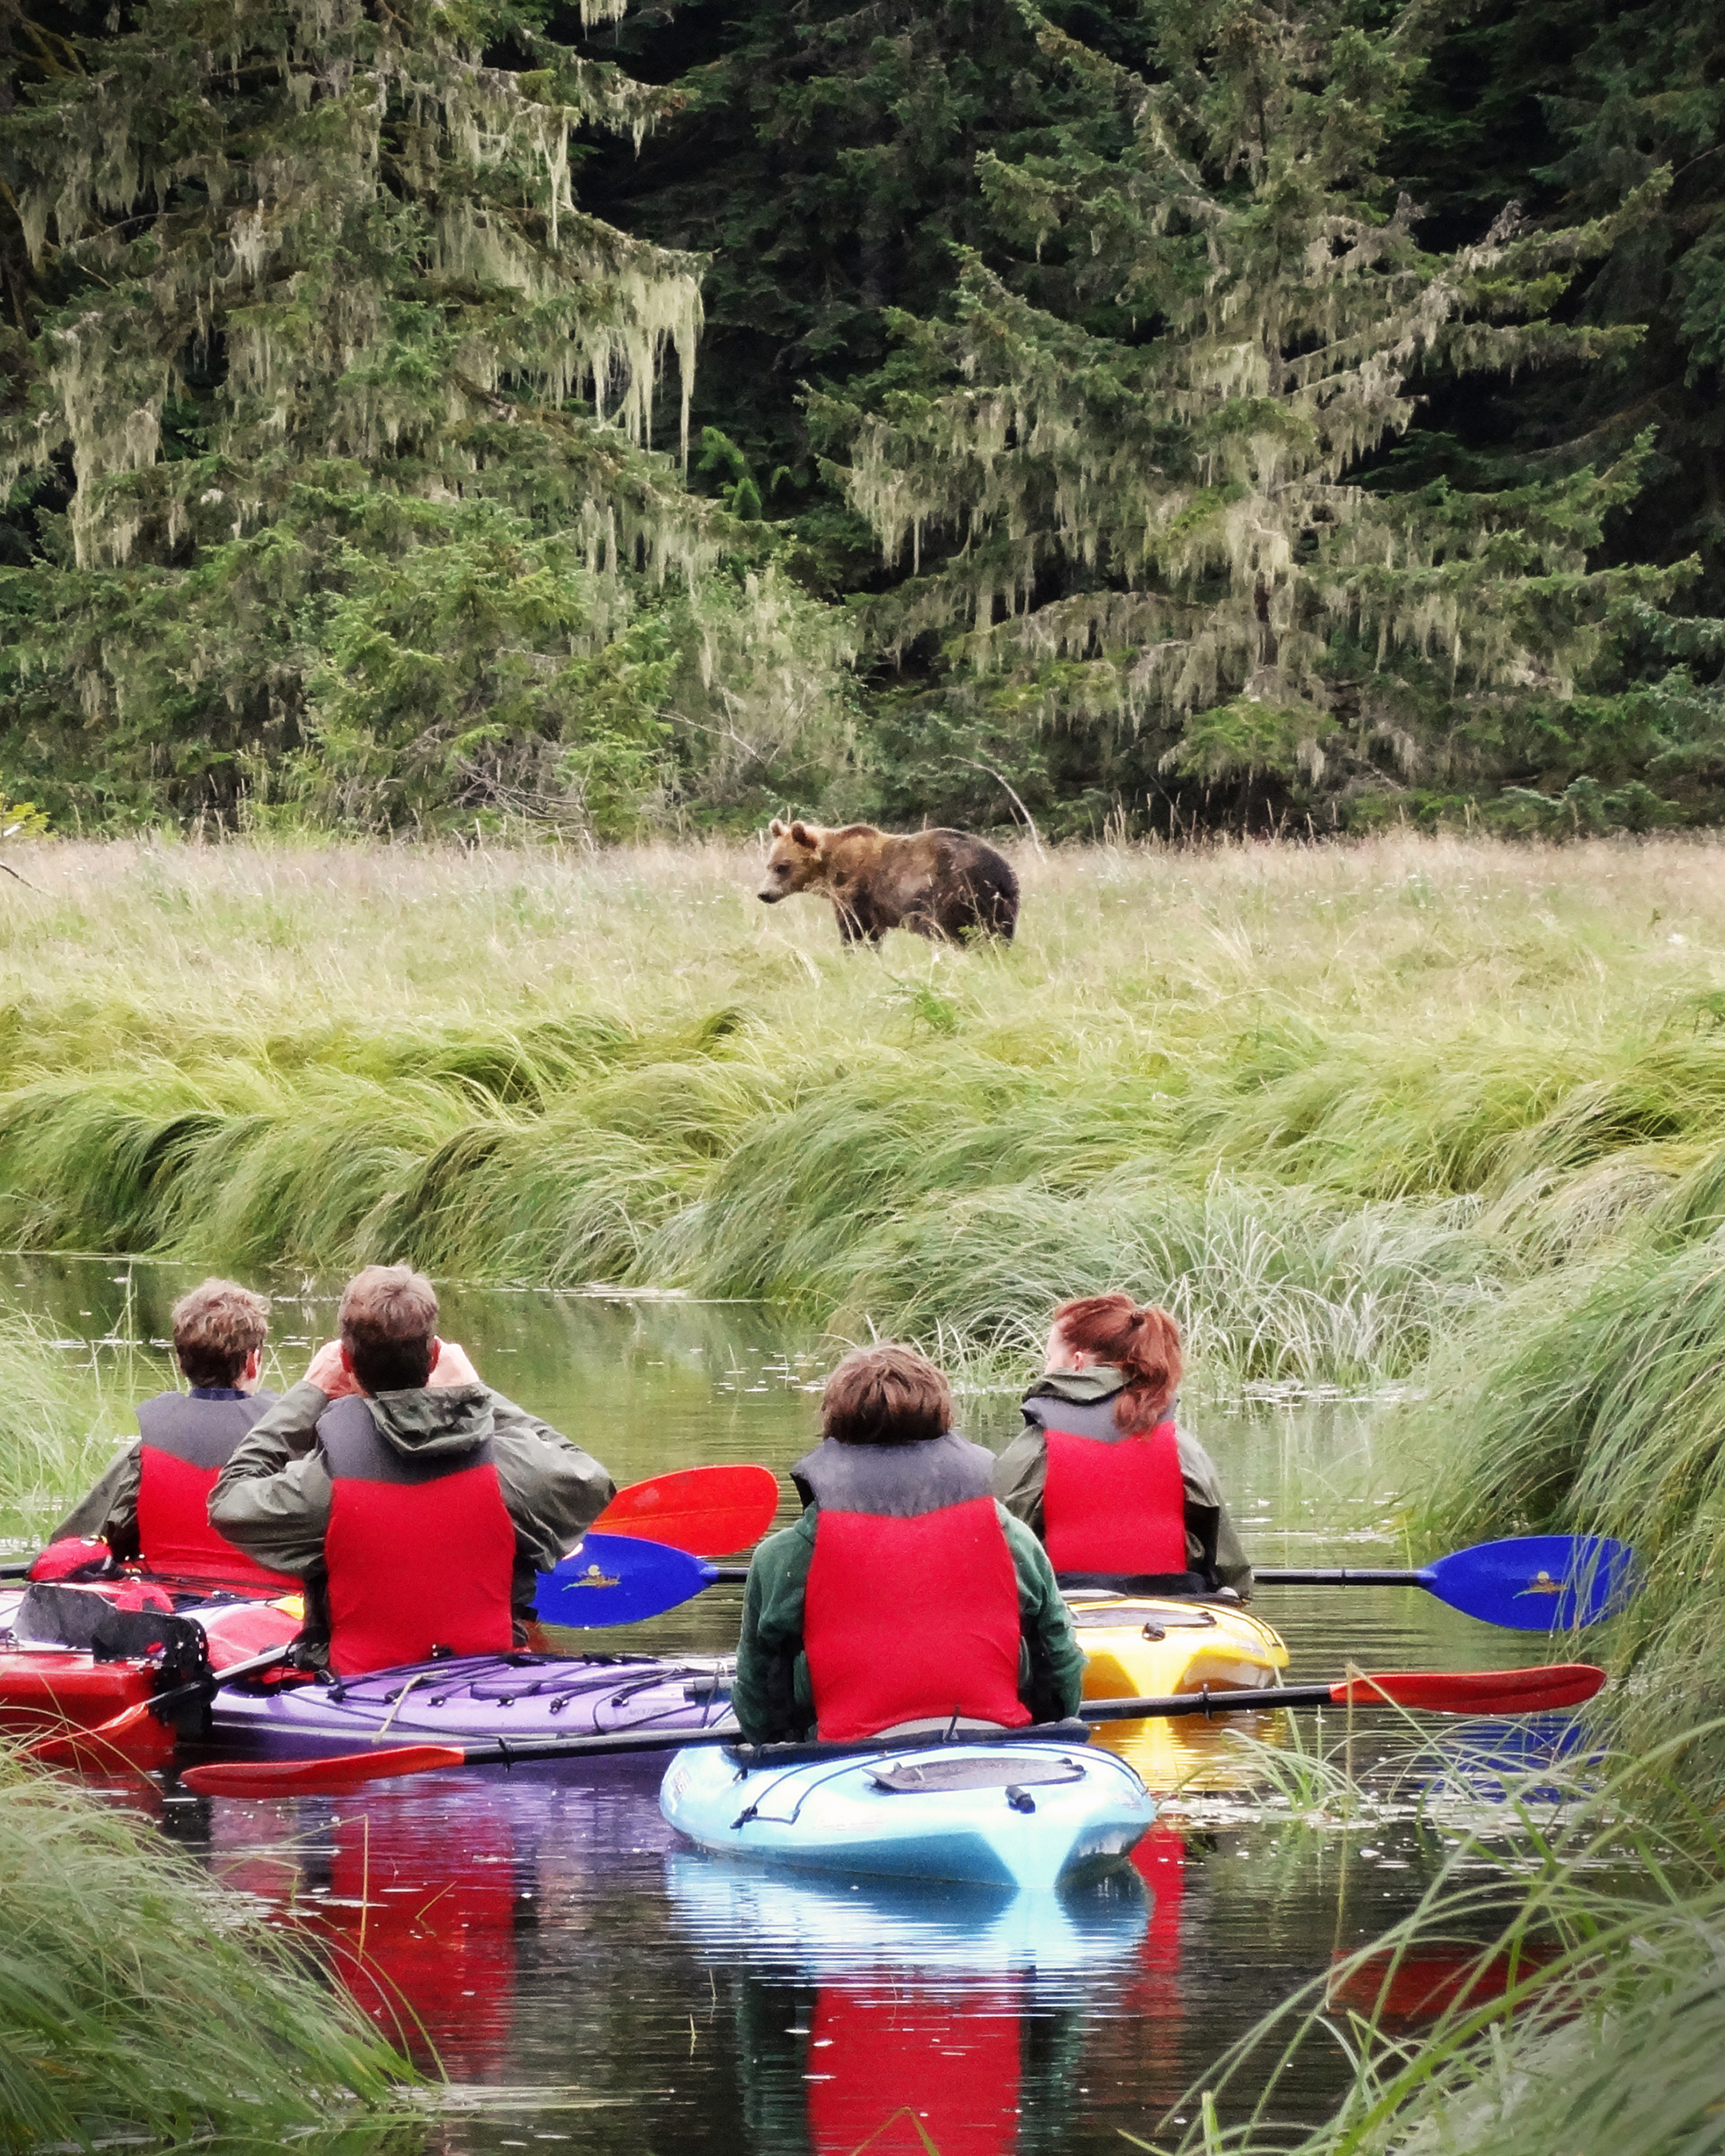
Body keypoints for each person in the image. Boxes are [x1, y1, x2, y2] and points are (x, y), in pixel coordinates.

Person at [208, 1264, 613, 1674]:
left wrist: (308, 1395)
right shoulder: (511, 1465)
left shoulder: (323, 1482)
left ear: (345, 1360)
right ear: (436, 1355)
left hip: (356, 1687)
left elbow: (228, 1503)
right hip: (486, 1680)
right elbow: (590, 1478)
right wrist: (477, 1393)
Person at [732, 1342, 1085, 1744]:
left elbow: (759, 1707)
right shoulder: (1013, 1539)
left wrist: (791, 1744)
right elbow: (1060, 1674)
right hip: (998, 1749)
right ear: (944, 1421)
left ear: (833, 1427)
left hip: (841, 1763)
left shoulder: (783, 1557)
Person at [46, 1277, 298, 1591]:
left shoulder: (147, 1448)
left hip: (165, 1602)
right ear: (253, 1362)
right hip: (271, 1606)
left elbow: (74, 1541)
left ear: (180, 1363)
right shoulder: (293, 1440)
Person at [994, 1294, 1252, 1597]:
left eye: (1049, 1357)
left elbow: (995, 1544)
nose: (1046, 1368)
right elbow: (1230, 1568)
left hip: (1068, 1608)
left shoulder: (1037, 1445)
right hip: (1173, 1608)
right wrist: (1236, 1591)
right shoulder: (1180, 1445)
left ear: (1076, 1364)